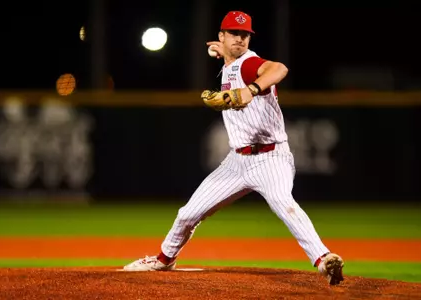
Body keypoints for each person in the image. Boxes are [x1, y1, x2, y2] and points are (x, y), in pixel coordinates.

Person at [123, 10, 344, 285]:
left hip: (270, 158)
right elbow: (232, 60)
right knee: (187, 214)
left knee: (283, 203)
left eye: (245, 35)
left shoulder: (249, 64)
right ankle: (164, 259)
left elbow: (279, 68)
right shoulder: (230, 63)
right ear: (221, 36)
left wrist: (251, 88)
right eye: (234, 34)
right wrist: (222, 53)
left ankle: (324, 259)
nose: (240, 39)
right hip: (236, 161)